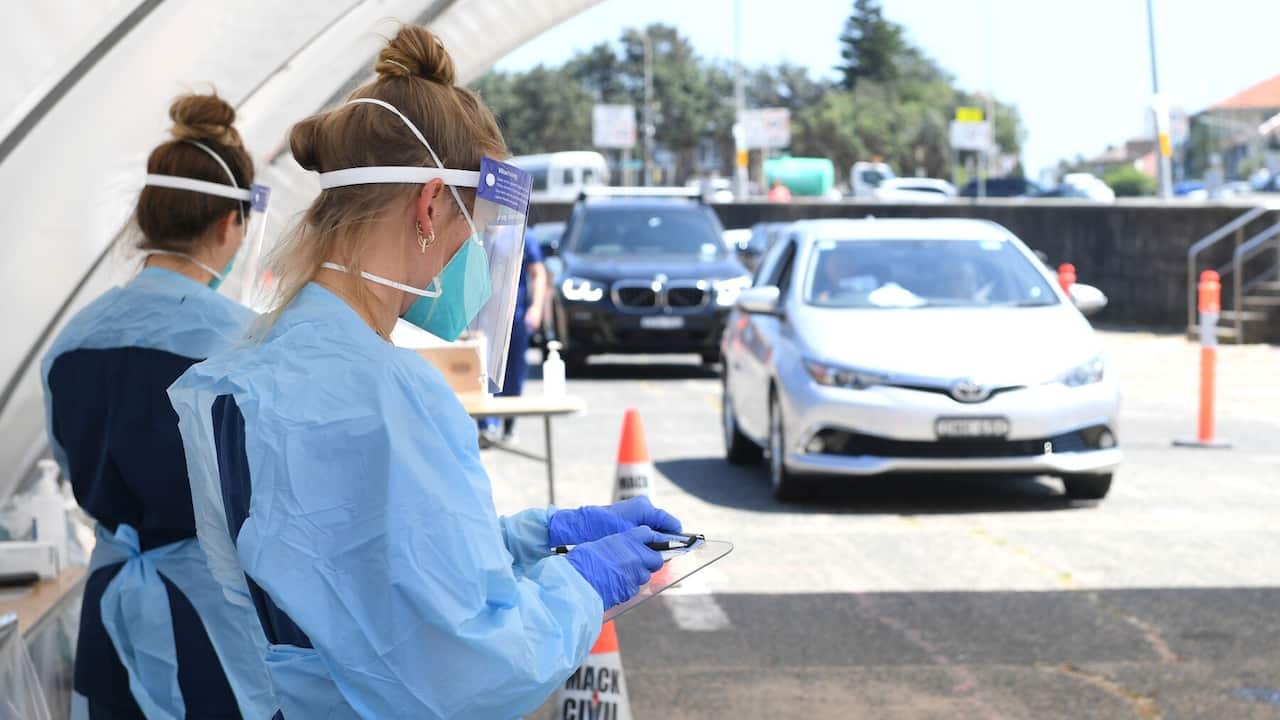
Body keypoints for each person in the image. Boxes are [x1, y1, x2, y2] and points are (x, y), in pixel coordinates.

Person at [167, 25, 683, 718]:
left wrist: (536, 537)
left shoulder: (251, 371)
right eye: (472, 231)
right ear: (431, 205)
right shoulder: (388, 394)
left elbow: (365, 572)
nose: (469, 261)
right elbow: (470, 664)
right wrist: (583, 585)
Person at [41, 94, 276, 719]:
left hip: (111, 608)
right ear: (232, 224)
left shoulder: (70, 343)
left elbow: (68, 464)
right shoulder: (247, 346)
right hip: (214, 623)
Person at [479, 236, 547, 446]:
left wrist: (536, 308)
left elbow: (538, 273)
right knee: (485, 370)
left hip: (515, 316)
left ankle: (508, 424)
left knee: (514, 373)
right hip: (485, 316)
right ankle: (487, 426)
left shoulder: (526, 236)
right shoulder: (483, 231)